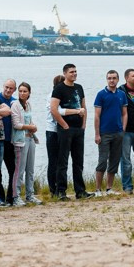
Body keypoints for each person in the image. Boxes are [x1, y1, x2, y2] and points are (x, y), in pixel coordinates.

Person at [50, 64, 92, 200]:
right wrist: (64, 125)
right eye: (71, 72)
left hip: (79, 129)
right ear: (65, 73)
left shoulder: (79, 88)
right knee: (63, 161)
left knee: (78, 161)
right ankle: (61, 191)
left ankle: (80, 190)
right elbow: (54, 109)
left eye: (75, 71)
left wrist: (84, 125)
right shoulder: (59, 89)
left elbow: (84, 107)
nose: (74, 74)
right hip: (65, 130)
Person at [94, 70, 127, 196]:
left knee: (114, 161)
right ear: (106, 80)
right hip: (104, 133)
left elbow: (124, 113)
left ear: (118, 80)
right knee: (102, 161)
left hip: (118, 133)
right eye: (109, 78)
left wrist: (123, 129)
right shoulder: (101, 94)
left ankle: (109, 188)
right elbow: (97, 116)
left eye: (114, 78)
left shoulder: (121, 94)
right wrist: (97, 134)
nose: (112, 80)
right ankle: (98, 189)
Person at [11, 82, 41, 205]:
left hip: (30, 139)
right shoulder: (15, 105)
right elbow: (16, 124)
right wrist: (30, 126)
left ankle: (30, 194)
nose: (22, 93)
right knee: (20, 169)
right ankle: (16, 196)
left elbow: (28, 119)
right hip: (20, 141)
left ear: (29, 93)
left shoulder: (28, 105)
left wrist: (33, 126)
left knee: (30, 169)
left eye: (25, 91)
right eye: (20, 91)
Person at [0, 78, 17, 206]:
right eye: (6, 87)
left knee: (13, 169)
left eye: (10, 88)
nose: (7, 90)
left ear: (14, 90)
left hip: (10, 141)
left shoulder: (15, 102)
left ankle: (11, 198)